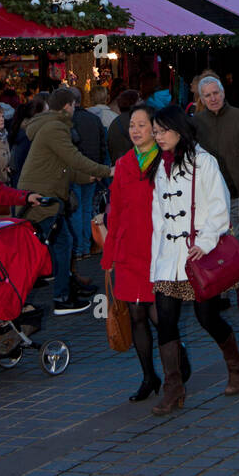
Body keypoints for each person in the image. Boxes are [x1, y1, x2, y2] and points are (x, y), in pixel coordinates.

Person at [148, 105, 239, 415]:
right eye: (155, 131)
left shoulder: (203, 162)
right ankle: (173, 388)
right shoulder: (158, 167)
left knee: (207, 318)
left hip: (197, 256)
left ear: (179, 129)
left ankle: (236, 364)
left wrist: (204, 242)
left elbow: (220, 205)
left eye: (162, 130)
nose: (157, 136)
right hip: (169, 259)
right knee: (165, 321)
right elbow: (158, 220)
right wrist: (156, 262)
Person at [100, 103, 190, 401]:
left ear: (155, 127)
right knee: (136, 314)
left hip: (158, 248)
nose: (135, 130)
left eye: (141, 124)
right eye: (132, 125)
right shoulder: (124, 163)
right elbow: (115, 213)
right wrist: (109, 255)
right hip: (128, 250)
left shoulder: (169, 161)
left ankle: (178, 361)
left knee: (158, 314)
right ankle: (149, 377)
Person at [18, 88, 113, 315]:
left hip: (45, 194)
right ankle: (61, 297)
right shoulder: (55, 127)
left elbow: (64, 167)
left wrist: (88, 176)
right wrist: (107, 171)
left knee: (62, 243)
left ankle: (66, 289)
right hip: (43, 197)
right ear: (68, 106)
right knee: (60, 245)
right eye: (73, 105)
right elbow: (73, 158)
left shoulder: (50, 126)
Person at [192, 75, 239, 307]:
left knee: (238, 240)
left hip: (238, 188)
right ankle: (221, 288)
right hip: (209, 193)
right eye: (208, 95)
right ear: (201, 98)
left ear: (223, 92)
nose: (213, 98)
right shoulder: (196, 122)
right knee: (213, 240)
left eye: (216, 93)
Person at [68, 85, 107, 285]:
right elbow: (102, 144)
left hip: (76, 171)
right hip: (92, 170)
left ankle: (80, 248)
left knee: (77, 209)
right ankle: (86, 246)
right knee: (86, 209)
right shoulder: (94, 119)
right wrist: (100, 168)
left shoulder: (68, 121)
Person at [106, 90, 140, 162]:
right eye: (139, 100)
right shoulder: (133, 121)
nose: (142, 102)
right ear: (133, 103)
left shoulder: (116, 121)